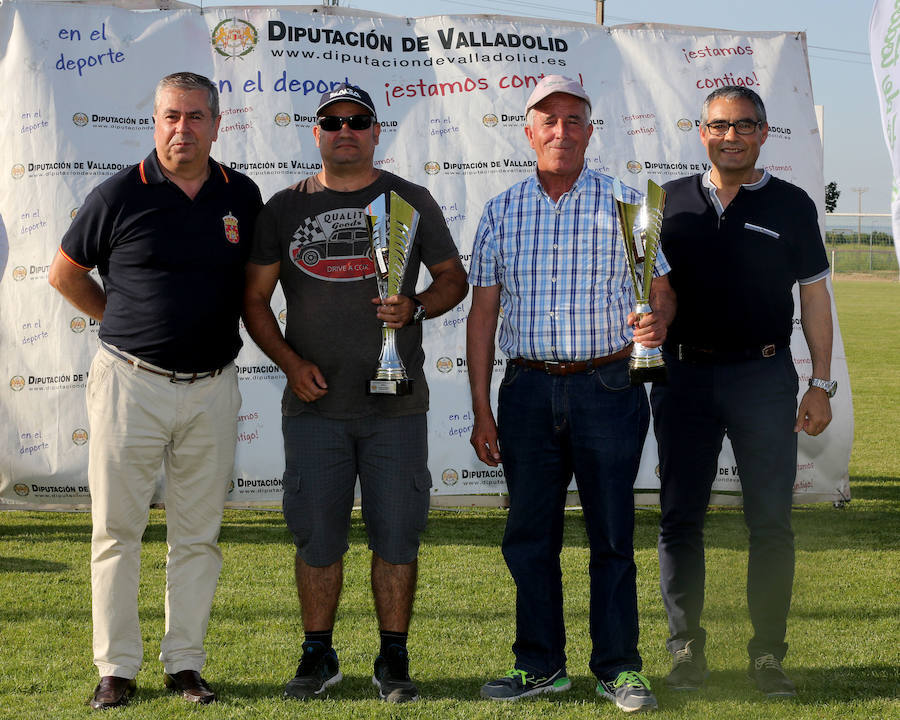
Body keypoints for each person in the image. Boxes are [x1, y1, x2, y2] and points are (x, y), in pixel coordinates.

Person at [243, 83, 467, 704]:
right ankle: (318, 655)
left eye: (358, 121)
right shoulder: (283, 208)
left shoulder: (409, 199)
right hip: (315, 406)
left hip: (396, 405)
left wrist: (415, 305)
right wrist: (289, 363)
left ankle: (393, 658)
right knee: (318, 536)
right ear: (315, 132)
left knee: (397, 535)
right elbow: (255, 301)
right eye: (332, 121)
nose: (345, 130)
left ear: (376, 131)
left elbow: (454, 279)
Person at [48, 72, 263, 709]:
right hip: (129, 386)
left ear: (217, 125)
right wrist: (121, 321)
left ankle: (185, 666)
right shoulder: (118, 194)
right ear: (155, 121)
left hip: (212, 387)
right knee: (117, 531)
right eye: (171, 116)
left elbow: (256, 285)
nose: (182, 129)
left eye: (196, 117)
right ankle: (116, 669)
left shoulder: (242, 195)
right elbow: (65, 274)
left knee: (198, 536)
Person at [466, 75, 675, 713]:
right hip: (527, 388)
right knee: (530, 536)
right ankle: (540, 665)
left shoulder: (629, 203)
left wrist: (658, 319)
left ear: (590, 131)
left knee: (612, 533)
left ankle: (619, 668)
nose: (561, 131)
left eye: (573, 120)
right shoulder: (501, 209)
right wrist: (481, 408)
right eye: (547, 120)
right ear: (529, 130)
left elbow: (659, 289)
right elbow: (482, 316)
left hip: (608, 385)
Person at [652, 86, 834, 698]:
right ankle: (685, 651)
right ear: (701, 131)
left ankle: (767, 655)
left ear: (764, 132)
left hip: (765, 378)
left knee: (771, 523)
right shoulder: (668, 202)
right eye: (719, 126)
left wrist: (820, 383)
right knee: (679, 518)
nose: (731, 136)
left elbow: (813, 294)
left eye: (745, 126)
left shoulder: (792, 204)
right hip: (683, 377)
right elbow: (648, 289)